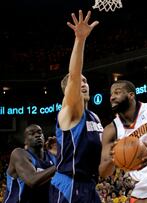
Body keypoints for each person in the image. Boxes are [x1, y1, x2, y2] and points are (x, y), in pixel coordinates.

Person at [49, 10, 103, 203]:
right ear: (68, 91)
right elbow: (73, 75)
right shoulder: (69, 111)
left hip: (89, 185)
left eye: (86, 80)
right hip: (69, 185)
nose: (83, 83)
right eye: (79, 81)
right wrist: (80, 40)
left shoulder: (95, 118)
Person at [4, 124, 56, 203]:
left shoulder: (52, 157)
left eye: (39, 132)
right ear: (25, 141)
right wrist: (62, 162)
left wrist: (60, 153)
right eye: (32, 133)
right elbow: (32, 180)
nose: (37, 135)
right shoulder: (18, 154)